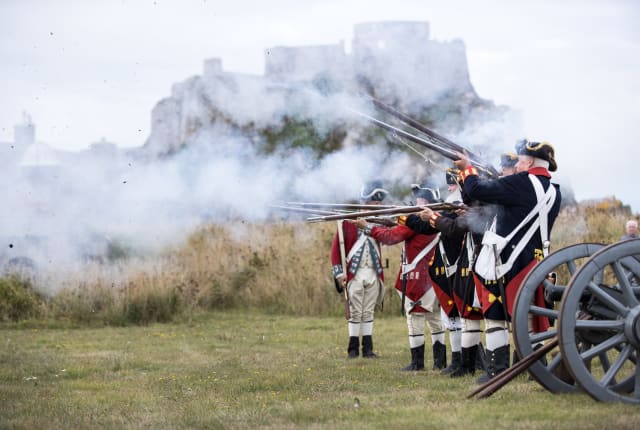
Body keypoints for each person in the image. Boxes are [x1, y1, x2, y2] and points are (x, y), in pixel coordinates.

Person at [454, 139, 562, 382]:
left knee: (495, 314)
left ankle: (497, 369)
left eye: (521, 160)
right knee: (531, 318)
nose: (518, 163)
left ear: (531, 161)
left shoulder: (521, 183)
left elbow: (476, 191)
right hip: (535, 260)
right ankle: (536, 368)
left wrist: (468, 169)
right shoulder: (555, 191)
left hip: (506, 260)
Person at [353, 181, 446, 371]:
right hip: (435, 277)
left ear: (427, 202)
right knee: (435, 320)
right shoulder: (438, 218)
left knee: (415, 320)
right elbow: (394, 229)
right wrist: (389, 221)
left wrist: (368, 227)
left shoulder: (417, 223)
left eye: (419, 199)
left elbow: (390, 237)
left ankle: (417, 363)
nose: (415, 201)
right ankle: (439, 362)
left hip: (418, 280)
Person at [406, 170, 491, 378]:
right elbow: (428, 225)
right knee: (454, 316)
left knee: (466, 316)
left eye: (455, 184)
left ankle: (470, 361)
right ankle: (460, 360)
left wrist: (422, 217)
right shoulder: (455, 206)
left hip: (462, 266)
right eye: (452, 185)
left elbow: (439, 226)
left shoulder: (461, 208)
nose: (451, 188)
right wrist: (406, 216)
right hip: (455, 266)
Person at [331, 180, 387, 358]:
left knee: (368, 310)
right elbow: (335, 251)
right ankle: (353, 349)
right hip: (353, 273)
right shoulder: (348, 222)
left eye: (379, 203)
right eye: (374, 202)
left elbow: (388, 238)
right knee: (355, 311)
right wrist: (339, 273)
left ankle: (368, 349)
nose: (377, 206)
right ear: (365, 202)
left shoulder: (380, 221)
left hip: (373, 271)